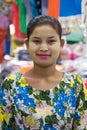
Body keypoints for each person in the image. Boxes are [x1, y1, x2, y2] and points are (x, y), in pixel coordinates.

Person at [0, 15, 87, 130]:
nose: (44, 48)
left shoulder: (75, 85)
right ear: (27, 44)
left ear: (61, 44)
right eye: (36, 41)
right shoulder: (11, 85)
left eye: (51, 41)